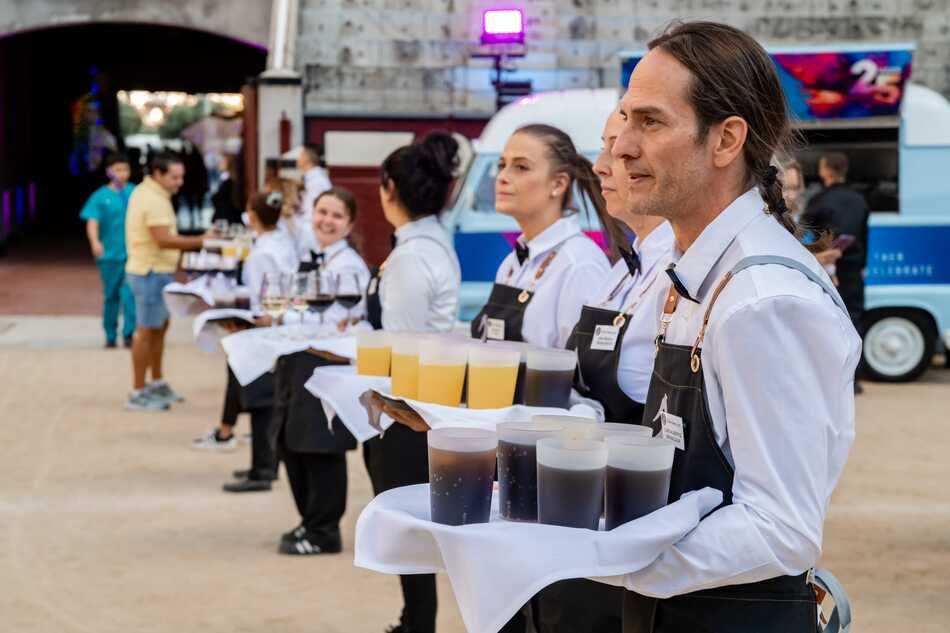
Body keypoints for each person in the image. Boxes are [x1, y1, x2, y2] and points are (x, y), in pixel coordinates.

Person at [606, 22, 860, 632]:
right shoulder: (691, 269)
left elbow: (780, 528)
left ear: (725, 140)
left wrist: (607, 560)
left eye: (651, 121)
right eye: (624, 119)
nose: (620, 147)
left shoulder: (760, 301)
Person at [364, 131, 462, 633]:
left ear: (387, 189)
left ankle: (416, 623)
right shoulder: (428, 244)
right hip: (426, 398)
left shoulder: (409, 257)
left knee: (407, 528)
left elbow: (402, 348)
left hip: (411, 408)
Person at [268, 186, 371, 553]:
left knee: (319, 447)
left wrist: (289, 315)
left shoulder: (349, 267)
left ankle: (324, 531)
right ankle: (309, 522)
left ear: (349, 224)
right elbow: (297, 307)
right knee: (292, 443)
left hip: (326, 365)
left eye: (336, 216)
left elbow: (336, 321)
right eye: (322, 212)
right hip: (298, 359)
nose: (326, 221)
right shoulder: (313, 257)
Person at [471, 124, 614, 347]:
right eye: (502, 165)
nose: (502, 177)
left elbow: (578, 370)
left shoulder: (579, 265)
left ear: (558, 184)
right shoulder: (513, 262)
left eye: (521, 167)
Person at [192, 191, 298, 472]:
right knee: (249, 386)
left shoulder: (262, 253)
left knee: (261, 400)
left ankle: (263, 468)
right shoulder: (281, 240)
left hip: (264, 328)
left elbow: (265, 297)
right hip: (278, 321)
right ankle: (258, 459)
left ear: (251, 217)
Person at [124, 152, 208, 411]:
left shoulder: (151, 193)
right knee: (146, 331)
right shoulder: (153, 199)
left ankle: (156, 382)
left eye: (181, 177)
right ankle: (138, 391)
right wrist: (204, 240)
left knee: (159, 327)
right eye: (174, 177)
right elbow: (163, 239)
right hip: (150, 271)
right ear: (158, 174)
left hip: (157, 269)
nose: (179, 182)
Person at [802, 152, 870, 351]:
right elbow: (864, 236)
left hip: (824, 272)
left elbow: (803, 234)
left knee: (825, 324)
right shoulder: (859, 200)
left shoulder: (818, 200)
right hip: (853, 271)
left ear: (824, 171)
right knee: (854, 322)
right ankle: (854, 378)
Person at [80, 152, 137, 349]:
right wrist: (95, 242)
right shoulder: (100, 196)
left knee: (130, 294)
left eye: (125, 169)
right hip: (109, 255)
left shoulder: (136, 193)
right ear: (108, 172)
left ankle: (129, 333)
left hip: (134, 254)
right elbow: (92, 221)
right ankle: (110, 334)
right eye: (117, 170)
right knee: (111, 295)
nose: (121, 174)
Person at [294, 144, 332, 255]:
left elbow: (311, 213)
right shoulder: (311, 179)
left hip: (310, 236)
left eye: (301, 154)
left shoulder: (317, 181)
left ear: (307, 157)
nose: (298, 158)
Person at [210, 153, 245, 226]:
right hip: (225, 215)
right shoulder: (225, 178)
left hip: (227, 217)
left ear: (228, 164)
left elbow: (222, 198)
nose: (220, 163)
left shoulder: (229, 181)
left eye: (222, 161)